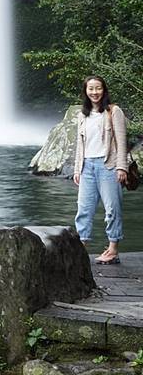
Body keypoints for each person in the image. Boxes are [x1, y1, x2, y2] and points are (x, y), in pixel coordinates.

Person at [74, 75, 128, 265]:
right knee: (83, 209)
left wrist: (122, 167)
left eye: (98, 88)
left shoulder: (113, 111)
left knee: (112, 209)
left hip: (108, 166)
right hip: (87, 167)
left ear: (104, 90)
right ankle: (81, 248)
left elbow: (121, 141)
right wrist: (77, 169)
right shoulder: (82, 115)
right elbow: (80, 145)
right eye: (91, 88)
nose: (94, 92)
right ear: (85, 91)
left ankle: (112, 249)